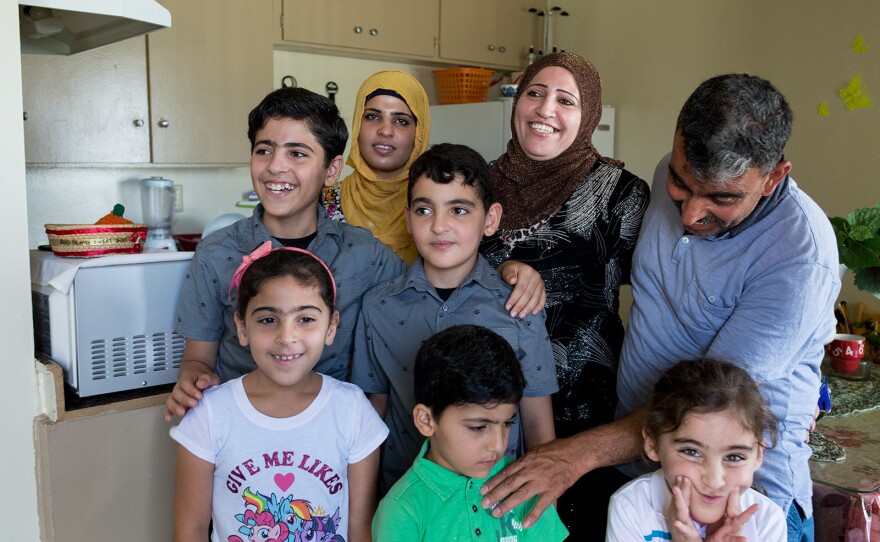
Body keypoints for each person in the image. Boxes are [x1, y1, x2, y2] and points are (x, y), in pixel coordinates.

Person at [480, 74, 840, 542]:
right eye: (681, 183)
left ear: (774, 177)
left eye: (722, 198)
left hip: (734, 500)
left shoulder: (799, 257)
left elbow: (707, 407)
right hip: (637, 471)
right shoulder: (660, 177)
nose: (690, 213)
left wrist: (573, 456)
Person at [478, 51, 650, 538]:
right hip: (485, 412)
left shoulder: (621, 195)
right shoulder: (477, 183)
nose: (545, 109)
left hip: (584, 420)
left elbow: (666, 295)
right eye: (535, 92)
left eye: (566, 100)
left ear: (589, 113)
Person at [164, 86, 407, 422]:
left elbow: (426, 303)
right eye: (264, 150)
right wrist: (194, 380)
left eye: (298, 153)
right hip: (244, 434)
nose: (275, 167)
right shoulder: (216, 253)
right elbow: (198, 359)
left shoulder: (365, 255)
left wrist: (504, 269)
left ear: (332, 170)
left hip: (334, 441)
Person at [352, 143, 558, 493]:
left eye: (459, 210)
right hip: (407, 503)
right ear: (407, 217)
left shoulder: (518, 307)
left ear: (490, 219)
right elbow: (370, 422)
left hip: (497, 505)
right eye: (424, 210)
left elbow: (539, 430)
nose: (439, 226)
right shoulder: (378, 307)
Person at [171, 246, 387, 542]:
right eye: (268, 320)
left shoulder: (352, 410)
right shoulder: (210, 412)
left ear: (331, 325)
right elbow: (190, 530)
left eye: (306, 319)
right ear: (242, 327)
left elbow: (360, 527)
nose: (286, 337)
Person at [372, 325, 569, 541]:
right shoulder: (402, 510)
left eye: (507, 423)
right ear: (426, 420)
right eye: (478, 427)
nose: (497, 445)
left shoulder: (523, 485)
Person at [607, 358, 786, 541]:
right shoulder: (630, 507)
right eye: (691, 452)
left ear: (758, 454)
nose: (714, 481)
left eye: (734, 457)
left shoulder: (767, 522)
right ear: (653, 444)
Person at [322, 70, 430, 264]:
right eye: (372, 117)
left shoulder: (435, 205)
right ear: (357, 125)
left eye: (401, 121)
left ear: (419, 133)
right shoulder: (321, 203)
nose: (386, 131)